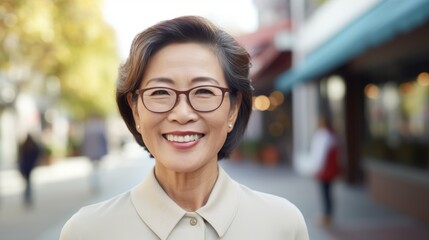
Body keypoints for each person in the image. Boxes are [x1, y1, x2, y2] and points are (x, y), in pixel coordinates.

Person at [60, 16, 308, 240]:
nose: (182, 114)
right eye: (160, 92)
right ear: (136, 110)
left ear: (233, 108)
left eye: (203, 91)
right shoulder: (86, 231)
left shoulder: (283, 225)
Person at [309, 115, 341, 227]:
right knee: (327, 192)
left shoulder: (323, 135)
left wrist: (317, 168)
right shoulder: (330, 135)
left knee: (325, 192)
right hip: (327, 170)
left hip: (324, 170)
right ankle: (328, 214)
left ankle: (327, 215)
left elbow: (320, 154)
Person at [81, 116, 108, 191]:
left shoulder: (87, 129)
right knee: (96, 169)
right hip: (98, 152)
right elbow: (104, 141)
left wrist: (84, 151)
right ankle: (96, 184)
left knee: (92, 169)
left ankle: (93, 185)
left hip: (90, 152)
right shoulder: (100, 128)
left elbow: (83, 142)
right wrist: (105, 151)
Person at [18, 133, 42, 206]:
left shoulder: (24, 146)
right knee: (28, 183)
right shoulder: (32, 146)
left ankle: (27, 197)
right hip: (29, 167)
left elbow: (20, 157)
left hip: (24, 167)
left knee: (27, 183)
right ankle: (28, 197)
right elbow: (39, 151)